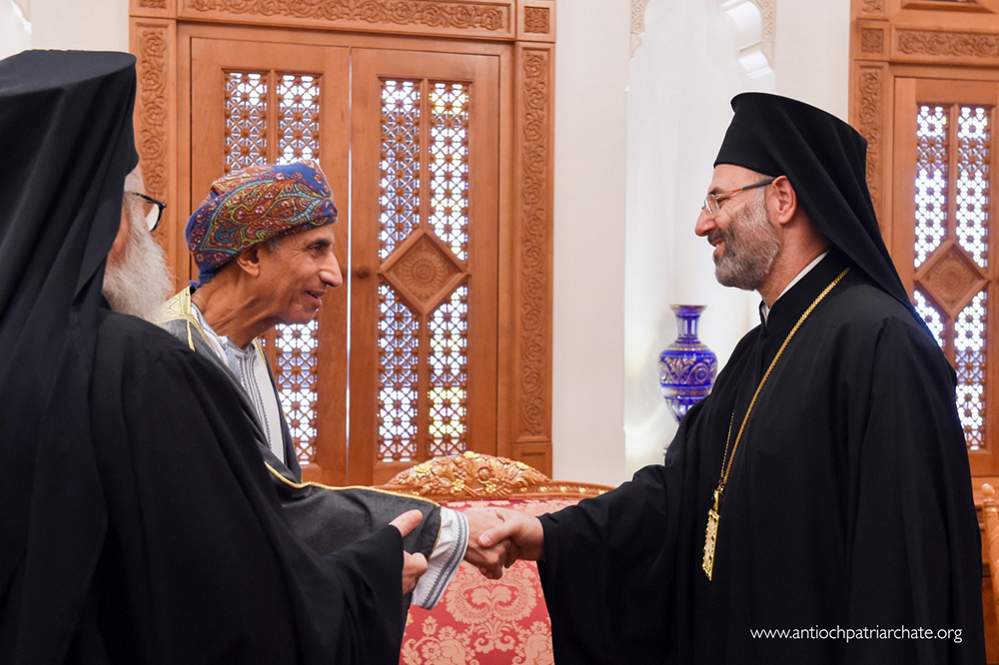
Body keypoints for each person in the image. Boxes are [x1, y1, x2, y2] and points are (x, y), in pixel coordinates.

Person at [478, 93, 985, 663]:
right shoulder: (759, 348)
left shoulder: (881, 343)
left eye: (718, 200)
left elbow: (903, 573)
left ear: (782, 199)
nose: (703, 224)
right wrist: (550, 534)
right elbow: (679, 494)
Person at [0, 50, 428, 664]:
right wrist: (368, 577)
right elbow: (228, 606)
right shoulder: (143, 367)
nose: (334, 274)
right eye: (138, 207)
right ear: (104, 220)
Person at [157, 160, 507, 604]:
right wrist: (448, 529)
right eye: (316, 249)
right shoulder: (171, 352)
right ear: (250, 257)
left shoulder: (243, 347)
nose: (335, 275)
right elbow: (274, 502)